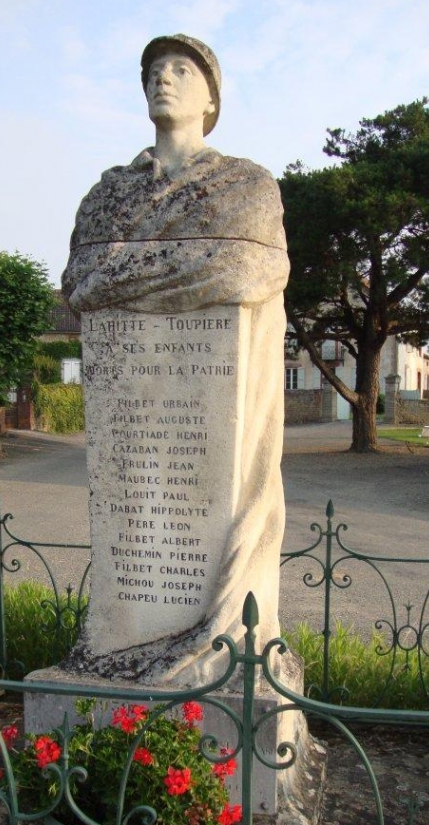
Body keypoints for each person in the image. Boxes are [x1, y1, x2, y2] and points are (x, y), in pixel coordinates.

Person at [62, 35, 290, 682]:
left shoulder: (243, 186)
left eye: (182, 68)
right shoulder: (105, 198)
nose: (165, 78)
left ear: (211, 95)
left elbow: (250, 266)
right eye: (154, 69)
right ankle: (122, 644)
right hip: (128, 396)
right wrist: (190, 266)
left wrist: (125, 270)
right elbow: (82, 281)